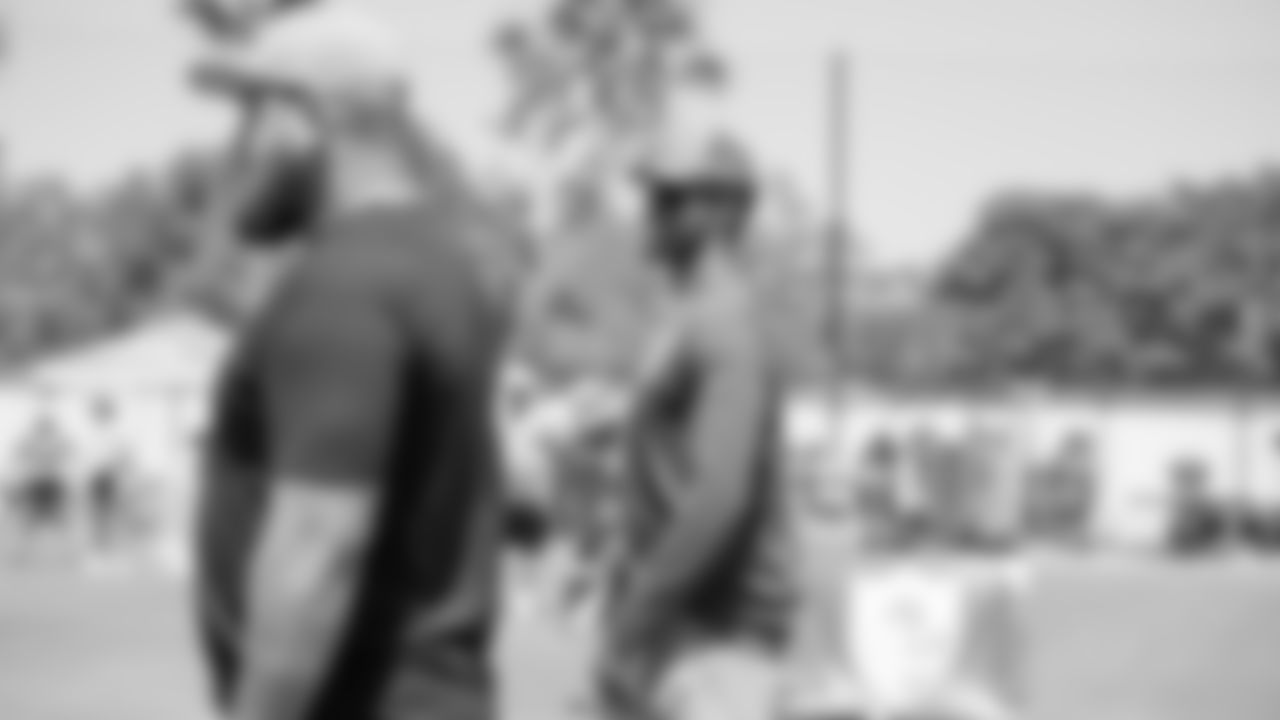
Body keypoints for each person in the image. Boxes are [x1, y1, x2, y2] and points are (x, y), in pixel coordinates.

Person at [187, 6, 511, 720]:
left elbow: (318, 544)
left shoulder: (344, 284)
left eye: (252, 114)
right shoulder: (439, 263)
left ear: (308, 118)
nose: (240, 148)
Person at [595, 135, 792, 720]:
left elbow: (717, 497)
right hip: (679, 627)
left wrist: (634, 621)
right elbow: (666, 480)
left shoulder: (726, 326)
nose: (648, 213)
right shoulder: (687, 319)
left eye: (666, 199)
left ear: (717, 213)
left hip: (720, 637)